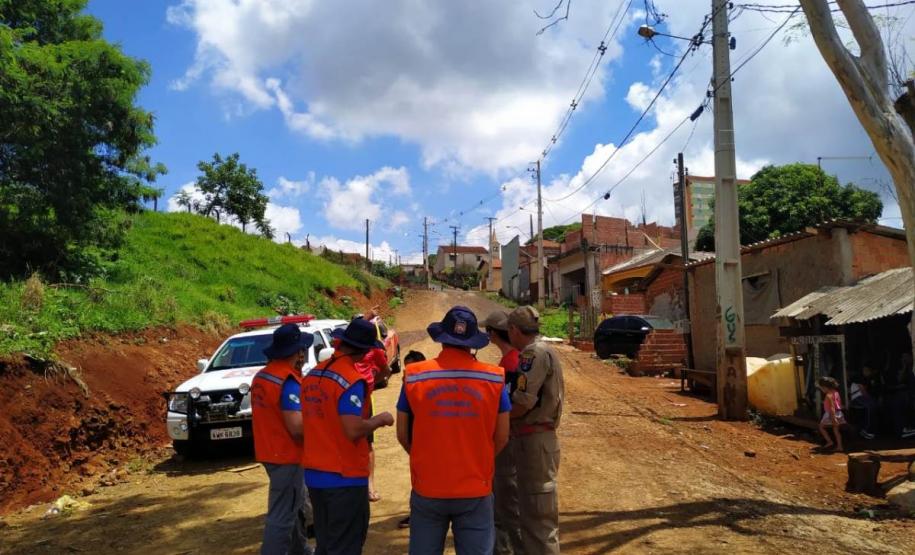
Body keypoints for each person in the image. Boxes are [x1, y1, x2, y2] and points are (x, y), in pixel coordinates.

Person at [396, 306, 510, 555]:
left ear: (442, 339)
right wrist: (479, 461)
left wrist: (422, 457)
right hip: (475, 487)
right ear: (473, 345)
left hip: (428, 487)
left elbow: (403, 434)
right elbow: (502, 436)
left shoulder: (414, 376)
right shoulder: (494, 379)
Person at [301, 318, 395, 555]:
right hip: (344, 476)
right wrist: (379, 420)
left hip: (314, 475)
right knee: (346, 544)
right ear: (366, 351)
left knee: (325, 543)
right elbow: (353, 429)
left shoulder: (312, 375)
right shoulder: (351, 380)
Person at [251, 323, 315, 555]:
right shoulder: (287, 381)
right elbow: (297, 427)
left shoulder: (263, 376)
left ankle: (301, 550)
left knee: (293, 506)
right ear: (297, 352)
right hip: (287, 455)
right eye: (303, 350)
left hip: (270, 451)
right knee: (281, 515)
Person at [507, 305, 564, 555]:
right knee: (532, 512)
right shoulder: (545, 349)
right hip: (537, 440)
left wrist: (499, 421)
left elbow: (523, 402)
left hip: (534, 440)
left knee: (539, 518)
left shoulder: (532, 353)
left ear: (514, 330)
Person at [482, 310, 523, 555]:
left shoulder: (509, 365)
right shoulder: (512, 361)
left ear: (493, 335)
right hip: (514, 438)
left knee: (506, 502)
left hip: (508, 441)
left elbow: (506, 409)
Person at [351, 320, 393, 503]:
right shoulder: (341, 351)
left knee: (366, 443)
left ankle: (369, 484)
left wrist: (370, 384)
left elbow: (386, 371)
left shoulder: (375, 351)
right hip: (345, 397)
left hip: (364, 400)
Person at [396, 349, 427, 530]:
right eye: (406, 370)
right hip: (415, 442)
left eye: (412, 368)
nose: (408, 373)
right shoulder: (407, 386)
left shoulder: (424, 385)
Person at [817, 376, 846, 451]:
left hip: (831, 414)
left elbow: (832, 408)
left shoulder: (828, 395)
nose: (821, 390)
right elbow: (839, 404)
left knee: (821, 427)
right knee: (836, 431)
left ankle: (829, 441)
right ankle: (840, 446)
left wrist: (833, 418)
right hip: (839, 413)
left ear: (825, 387)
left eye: (821, 388)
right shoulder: (836, 392)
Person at [849, 367, 878, 440]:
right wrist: (870, 399)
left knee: (872, 406)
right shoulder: (859, 378)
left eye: (868, 370)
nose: (867, 372)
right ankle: (866, 430)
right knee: (871, 406)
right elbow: (863, 391)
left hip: (861, 398)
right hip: (857, 397)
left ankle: (867, 430)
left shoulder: (868, 379)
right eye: (865, 370)